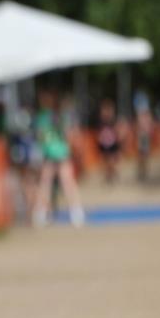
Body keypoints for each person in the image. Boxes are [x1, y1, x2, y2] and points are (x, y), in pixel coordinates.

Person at [33, 89, 85, 227]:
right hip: (54, 154)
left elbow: (42, 137)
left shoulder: (49, 117)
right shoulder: (55, 117)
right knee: (48, 184)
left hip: (59, 154)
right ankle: (44, 212)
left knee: (60, 183)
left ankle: (74, 212)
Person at [96, 98, 122, 184]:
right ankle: (109, 175)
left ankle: (112, 174)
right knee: (106, 161)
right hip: (104, 144)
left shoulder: (113, 121)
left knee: (112, 161)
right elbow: (99, 133)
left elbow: (118, 131)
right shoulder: (101, 122)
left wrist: (119, 139)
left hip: (113, 143)